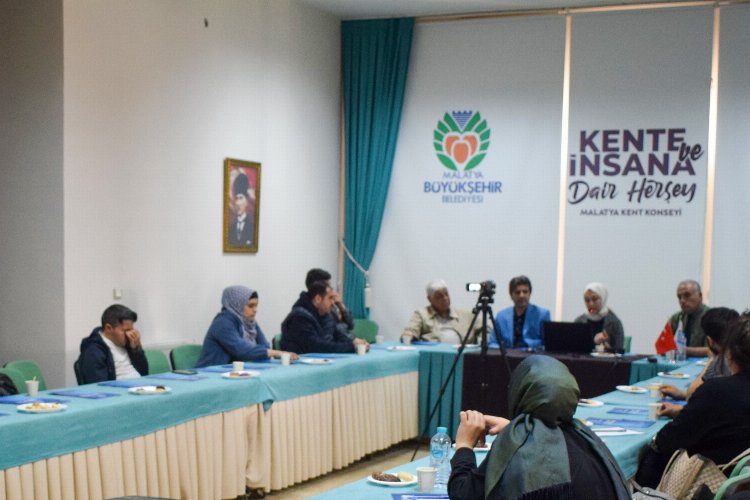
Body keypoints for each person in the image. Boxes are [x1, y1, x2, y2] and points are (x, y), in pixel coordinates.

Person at [448, 355, 630, 499]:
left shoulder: (516, 453)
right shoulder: (587, 439)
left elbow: (463, 493)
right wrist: (513, 429)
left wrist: (464, 446)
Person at [636, 314, 750, 488]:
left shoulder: (717, 391)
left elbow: (668, 440)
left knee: (652, 459)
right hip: (738, 485)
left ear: (730, 354)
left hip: (709, 486)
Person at [658, 307, 739, 417]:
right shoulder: (738, 356)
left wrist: (712, 359)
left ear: (709, 341)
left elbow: (693, 397)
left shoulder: (724, 360)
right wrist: (682, 394)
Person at [196, 286, 297, 367]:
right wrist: (278, 353)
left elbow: (264, 347)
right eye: (250, 306)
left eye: (256, 305)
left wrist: (268, 352)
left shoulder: (250, 323)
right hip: (209, 374)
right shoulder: (223, 323)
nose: (255, 310)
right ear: (237, 305)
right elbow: (242, 350)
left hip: (234, 373)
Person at [281, 280, 368, 354]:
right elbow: (317, 346)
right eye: (330, 298)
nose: (333, 302)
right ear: (318, 299)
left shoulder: (326, 314)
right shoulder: (300, 317)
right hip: (300, 363)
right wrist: (351, 347)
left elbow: (337, 335)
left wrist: (355, 342)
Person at [78, 304, 148, 384]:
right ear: (109, 328)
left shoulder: (128, 342)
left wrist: (136, 349)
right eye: (125, 330)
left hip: (141, 386)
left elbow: (144, 372)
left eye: (131, 329)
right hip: (121, 389)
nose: (129, 334)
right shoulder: (93, 351)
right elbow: (99, 385)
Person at [401, 279, 485, 344]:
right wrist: (408, 339)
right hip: (435, 356)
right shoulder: (421, 315)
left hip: (462, 356)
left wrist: (480, 343)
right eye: (439, 296)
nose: (445, 298)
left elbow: (485, 331)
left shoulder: (467, 315)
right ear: (430, 299)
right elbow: (410, 331)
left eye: (446, 294)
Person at [490, 275, 550, 349]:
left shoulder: (542, 314)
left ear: (530, 294)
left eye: (525, 292)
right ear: (511, 295)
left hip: (532, 354)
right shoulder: (501, 316)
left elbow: (547, 344)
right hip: (507, 354)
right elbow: (492, 342)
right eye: (517, 292)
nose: (521, 295)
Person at [574, 282, 625, 352]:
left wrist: (606, 344)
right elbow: (574, 349)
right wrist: (594, 342)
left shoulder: (614, 322)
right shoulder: (579, 321)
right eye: (587, 300)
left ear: (602, 298)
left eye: (594, 299)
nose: (591, 304)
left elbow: (619, 350)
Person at [305, 268, 354, 338]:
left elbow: (350, 325)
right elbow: (333, 332)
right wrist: (352, 340)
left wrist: (341, 305)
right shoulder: (310, 311)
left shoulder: (330, 304)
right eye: (328, 285)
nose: (331, 289)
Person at [668, 279, 710, 357]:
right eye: (679, 297)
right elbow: (664, 346)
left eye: (687, 295)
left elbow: (713, 350)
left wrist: (683, 350)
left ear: (700, 296)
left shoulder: (713, 317)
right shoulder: (676, 318)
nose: (682, 301)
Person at [228, 172, 254, 246]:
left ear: (246, 201)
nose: (238, 203)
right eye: (236, 198)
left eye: (241, 198)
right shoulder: (230, 229)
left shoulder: (252, 228)